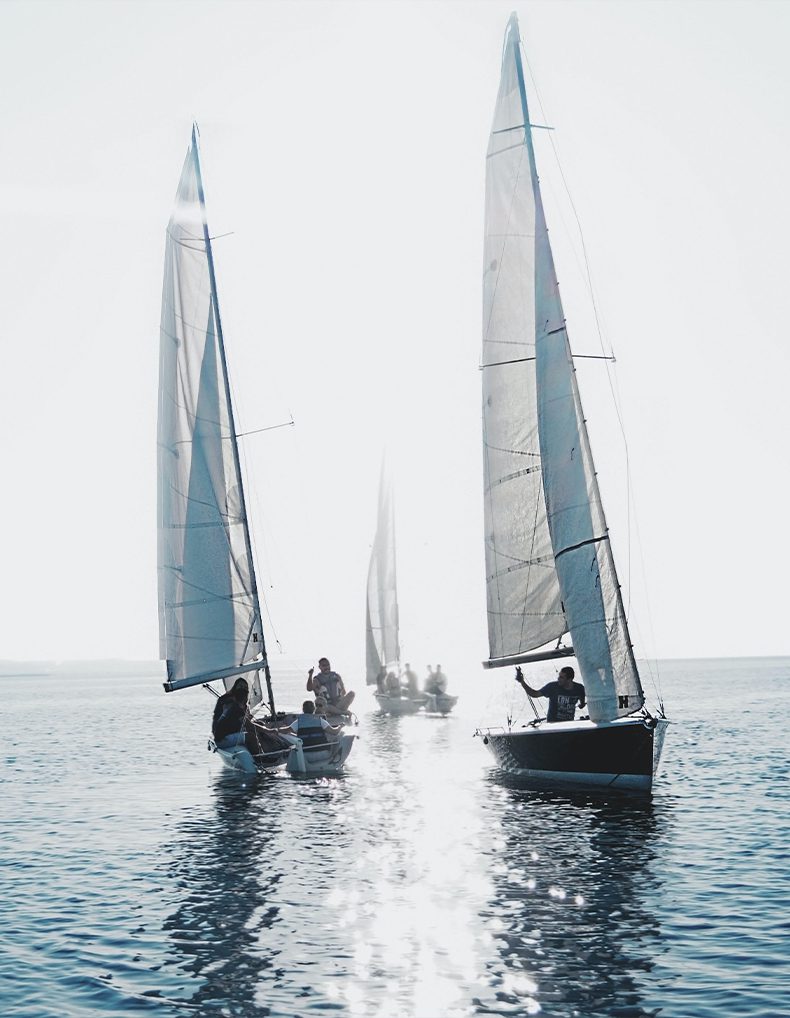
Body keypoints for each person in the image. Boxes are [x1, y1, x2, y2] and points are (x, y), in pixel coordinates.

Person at [514, 665, 586, 722]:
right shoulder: (552, 687)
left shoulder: (579, 688)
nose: (558, 679)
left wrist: (581, 705)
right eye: (559, 676)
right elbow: (534, 694)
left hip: (569, 725)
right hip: (552, 725)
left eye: (561, 677)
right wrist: (522, 682)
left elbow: (582, 704)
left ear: (569, 679)